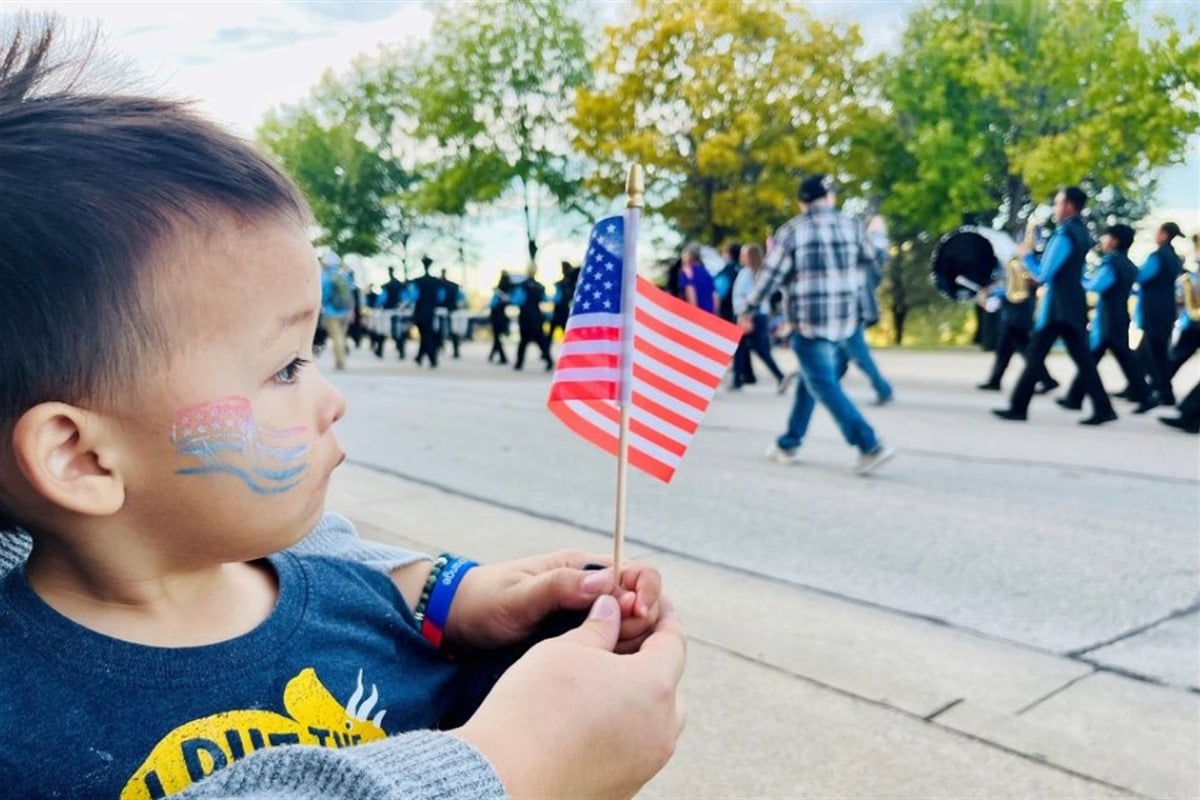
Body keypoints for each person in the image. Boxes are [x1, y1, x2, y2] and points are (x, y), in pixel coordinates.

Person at [0, 22, 685, 800]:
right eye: (285, 367)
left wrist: (549, 684)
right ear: (83, 458)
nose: (333, 399)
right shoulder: (17, 725)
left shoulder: (363, 602)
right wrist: (514, 766)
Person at [741, 174, 896, 474]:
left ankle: (869, 445)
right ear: (830, 198)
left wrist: (747, 308)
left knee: (822, 383)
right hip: (846, 321)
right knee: (813, 382)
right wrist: (879, 233)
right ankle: (789, 442)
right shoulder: (852, 227)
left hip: (809, 325)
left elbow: (768, 279)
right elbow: (877, 259)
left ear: (802, 202)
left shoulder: (792, 232)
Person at [993, 187, 1118, 425]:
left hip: (1057, 307)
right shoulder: (1082, 232)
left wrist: (1026, 256)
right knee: (1083, 360)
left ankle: (1018, 407)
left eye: (1058, 202)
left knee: (1035, 354)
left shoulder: (1064, 234)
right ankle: (1103, 408)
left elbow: (1044, 274)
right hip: (1074, 305)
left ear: (1069, 206)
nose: (1055, 207)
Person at [1057, 224, 1147, 410]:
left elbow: (1096, 286)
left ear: (1114, 241)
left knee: (1096, 358)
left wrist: (1077, 275)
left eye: (1105, 237)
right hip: (1120, 315)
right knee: (1102, 357)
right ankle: (1075, 397)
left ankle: (1145, 396)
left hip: (1108, 319)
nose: (1102, 241)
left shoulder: (1112, 263)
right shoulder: (1129, 265)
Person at [977, 223, 1059, 394]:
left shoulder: (1029, 260)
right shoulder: (1021, 259)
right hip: (1014, 306)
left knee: (1024, 346)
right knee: (1005, 346)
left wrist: (994, 293)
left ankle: (1046, 379)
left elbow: (1020, 285)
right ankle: (995, 380)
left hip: (1020, 307)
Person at [837, 216, 894, 406]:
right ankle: (826, 384)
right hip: (851, 306)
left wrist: (875, 231)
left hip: (854, 307)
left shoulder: (867, 253)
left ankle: (883, 389)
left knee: (857, 351)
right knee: (841, 350)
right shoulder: (863, 252)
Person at [1132, 222, 1185, 413]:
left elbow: (1142, 276)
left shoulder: (1158, 256)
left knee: (1155, 353)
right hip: (1167, 309)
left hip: (1154, 310)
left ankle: (1163, 392)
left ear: (1164, 234)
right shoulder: (1175, 258)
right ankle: (1137, 387)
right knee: (1149, 351)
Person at [731, 243, 788, 392]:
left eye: (744, 254)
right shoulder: (760, 273)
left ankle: (780, 376)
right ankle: (737, 380)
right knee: (743, 349)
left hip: (749, 315)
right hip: (757, 314)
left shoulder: (748, 273)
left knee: (758, 349)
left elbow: (750, 296)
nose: (741, 257)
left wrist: (745, 315)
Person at [1166, 233, 1200, 380]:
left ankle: (1159, 388)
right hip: (1192, 320)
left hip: (1194, 322)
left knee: (1175, 357)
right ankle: (1160, 387)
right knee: (1175, 357)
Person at [512, 268, 554, 371]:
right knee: (540, 339)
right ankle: (549, 360)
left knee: (523, 340)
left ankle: (519, 363)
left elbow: (518, 300)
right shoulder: (539, 286)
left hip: (525, 316)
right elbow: (544, 299)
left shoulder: (522, 285)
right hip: (537, 316)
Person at [320, 251, 353, 371]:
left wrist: (322, 305)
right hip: (344, 311)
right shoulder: (343, 275)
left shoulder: (325, 276)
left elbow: (323, 294)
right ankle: (341, 360)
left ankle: (340, 362)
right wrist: (351, 310)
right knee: (342, 336)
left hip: (331, 311)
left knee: (336, 337)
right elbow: (350, 294)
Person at [410, 255, 442, 368]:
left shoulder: (418, 282)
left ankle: (432, 358)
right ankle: (419, 357)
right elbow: (440, 297)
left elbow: (414, 297)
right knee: (427, 334)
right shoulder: (436, 282)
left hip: (420, 311)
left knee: (425, 335)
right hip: (431, 311)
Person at [678, 243, 718, 314]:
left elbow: (690, 291)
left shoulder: (687, 272)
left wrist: (693, 313)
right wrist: (715, 314)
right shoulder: (707, 273)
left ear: (689, 255)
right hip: (709, 314)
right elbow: (715, 296)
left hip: (695, 314)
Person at [549, 260, 580, 342]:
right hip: (562, 310)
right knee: (564, 332)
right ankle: (546, 352)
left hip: (563, 310)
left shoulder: (568, 282)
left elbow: (557, 299)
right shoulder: (565, 283)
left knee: (566, 332)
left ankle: (546, 352)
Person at [437, 269, 463, 359]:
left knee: (439, 330)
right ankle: (456, 351)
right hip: (453, 310)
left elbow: (440, 298)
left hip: (440, 310)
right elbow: (461, 298)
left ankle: (439, 347)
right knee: (453, 331)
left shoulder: (438, 285)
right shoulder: (454, 286)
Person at [488, 271, 513, 365]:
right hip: (499, 315)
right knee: (496, 337)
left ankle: (503, 358)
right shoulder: (507, 289)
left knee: (497, 337)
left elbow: (495, 304)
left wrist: (498, 293)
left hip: (498, 316)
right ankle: (492, 355)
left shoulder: (502, 291)